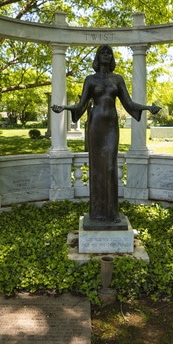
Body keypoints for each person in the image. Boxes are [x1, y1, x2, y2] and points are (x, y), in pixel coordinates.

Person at [52, 44, 160, 230]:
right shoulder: (90, 80)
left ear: (112, 58)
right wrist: (64, 108)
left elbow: (128, 103)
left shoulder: (117, 79)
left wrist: (148, 108)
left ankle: (111, 212)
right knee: (96, 168)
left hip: (110, 126)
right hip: (95, 126)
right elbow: (81, 105)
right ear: (97, 57)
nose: (106, 55)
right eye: (102, 52)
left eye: (109, 52)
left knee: (109, 167)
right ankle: (96, 213)